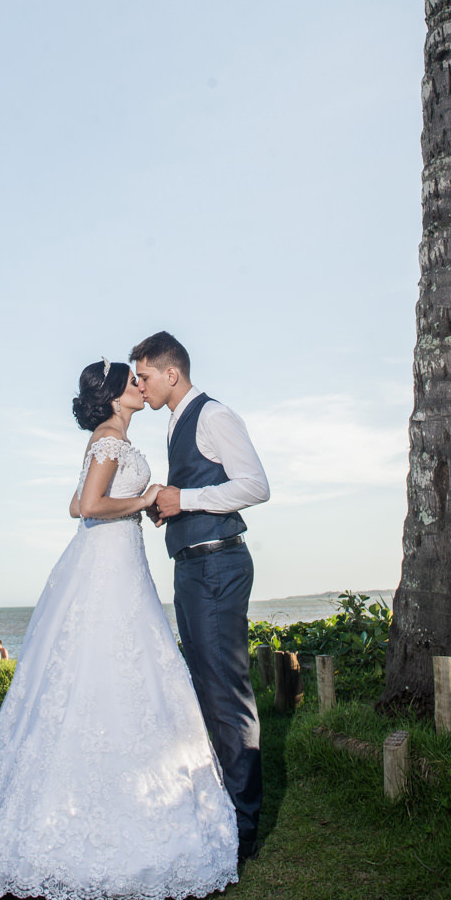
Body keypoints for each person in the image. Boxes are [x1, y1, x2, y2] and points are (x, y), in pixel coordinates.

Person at [0, 358, 239, 900]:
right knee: (104, 667)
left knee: (127, 668)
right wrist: (145, 500)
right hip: (108, 565)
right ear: (113, 397)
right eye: (132, 382)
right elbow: (87, 506)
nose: (141, 386)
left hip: (116, 558)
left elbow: (75, 502)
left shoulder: (108, 441)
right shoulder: (110, 439)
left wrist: (135, 505)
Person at [131, 331, 269, 864]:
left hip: (217, 567)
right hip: (193, 567)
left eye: (144, 376)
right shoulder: (174, 422)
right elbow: (197, 489)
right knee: (206, 688)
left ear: (172, 374)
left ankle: (244, 827)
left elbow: (255, 485)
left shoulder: (213, 415)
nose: (140, 386)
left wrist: (183, 498)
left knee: (226, 694)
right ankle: (225, 810)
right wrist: (170, 505)